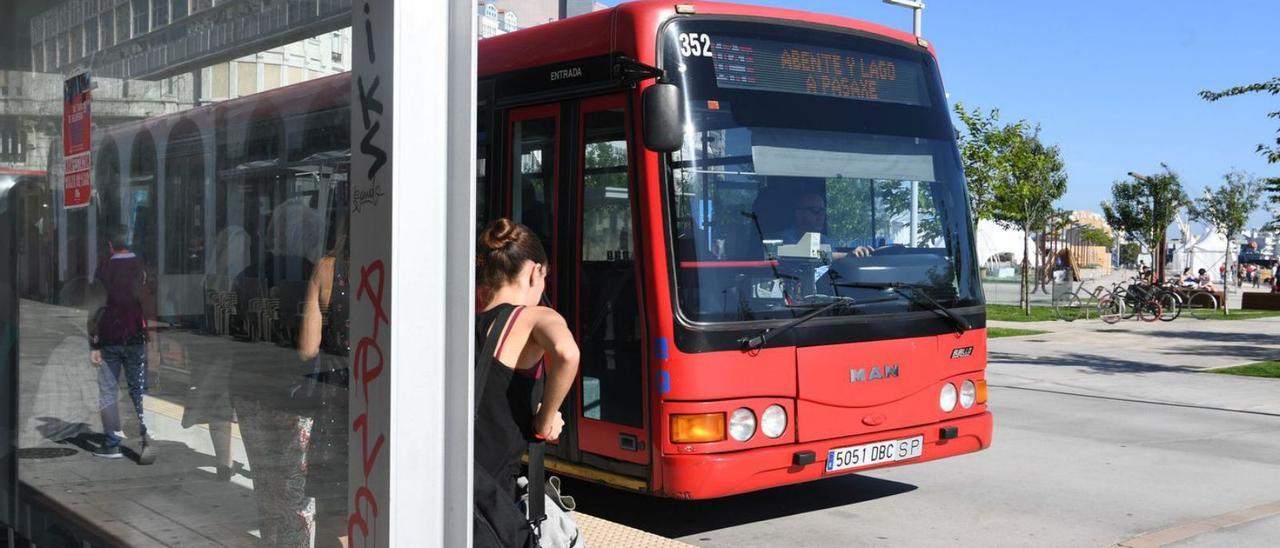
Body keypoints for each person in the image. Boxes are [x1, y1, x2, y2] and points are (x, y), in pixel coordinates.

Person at [474, 218, 580, 547]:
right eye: (544, 278)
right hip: (493, 501)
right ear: (535, 271)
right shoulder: (533, 316)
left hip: (457, 479)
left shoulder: (461, 320)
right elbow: (566, 352)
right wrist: (546, 420)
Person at [297, 234, 351, 548]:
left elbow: (307, 349)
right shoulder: (398, 263)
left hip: (335, 400)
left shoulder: (327, 269)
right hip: (382, 397)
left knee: (335, 508)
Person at [88, 226, 157, 464]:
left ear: (109, 245)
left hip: (109, 338)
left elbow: (95, 307)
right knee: (137, 389)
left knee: (108, 391)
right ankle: (144, 437)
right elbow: (149, 302)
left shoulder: (104, 269)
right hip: (137, 337)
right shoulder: (142, 269)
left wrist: (93, 343)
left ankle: (112, 444)